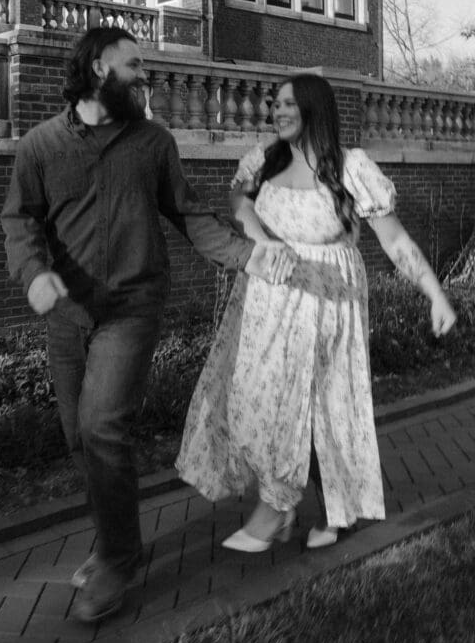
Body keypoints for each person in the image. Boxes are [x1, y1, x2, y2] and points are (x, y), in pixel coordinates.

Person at [0, 27, 284, 623]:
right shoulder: (40, 146)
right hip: (68, 314)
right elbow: (20, 220)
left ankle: (118, 561)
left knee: (102, 426)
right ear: (101, 67)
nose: (144, 75)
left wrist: (247, 255)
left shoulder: (152, 142)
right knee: (79, 437)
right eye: (134, 65)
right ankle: (112, 540)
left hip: (132, 308)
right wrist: (32, 274)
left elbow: (187, 213)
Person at [176, 72, 456, 552]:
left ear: (313, 109)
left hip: (330, 300)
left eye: (287, 104)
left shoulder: (350, 168)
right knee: (257, 397)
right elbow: (238, 205)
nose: (277, 112)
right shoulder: (262, 161)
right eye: (274, 104)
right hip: (267, 297)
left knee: (328, 406)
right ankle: (282, 502)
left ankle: (311, 509)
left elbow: (395, 241)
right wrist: (263, 241)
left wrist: (435, 293)